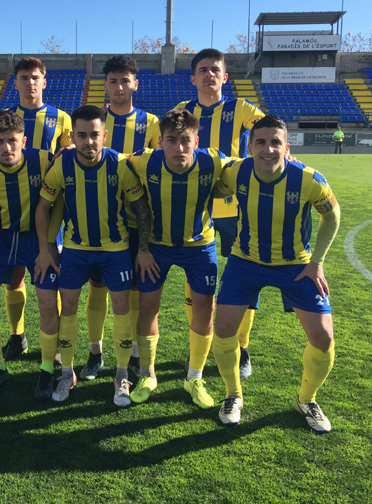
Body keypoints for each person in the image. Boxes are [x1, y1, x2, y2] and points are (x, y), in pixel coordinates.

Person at [211, 115, 341, 432]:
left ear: (286, 146)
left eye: (275, 143)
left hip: (296, 265)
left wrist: (317, 261)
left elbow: (333, 216)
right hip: (245, 261)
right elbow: (212, 190)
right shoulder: (237, 171)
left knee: (323, 338)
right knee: (224, 328)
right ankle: (233, 395)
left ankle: (306, 400)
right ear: (251, 145)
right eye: (261, 142)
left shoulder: (308, 179)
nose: (268, 149)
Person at [34, 105, 148, 407]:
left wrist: (144, 249)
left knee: (122, 306)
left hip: (115, 249)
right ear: (73, 136)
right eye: (81, 135)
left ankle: (120, 374)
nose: (88, 142)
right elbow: (43, 206)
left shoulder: (120, 165)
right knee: (68, 306)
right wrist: (45, 250)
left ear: (104, 135)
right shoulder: (62, 165)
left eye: (94, 135)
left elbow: (141, 207)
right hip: (76, 249)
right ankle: (67, 372)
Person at [126, 109, 226, 408]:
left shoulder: (214, 161)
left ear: (197, 141)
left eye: (186, 140)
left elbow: (247, 168)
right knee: (147, 307)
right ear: (160, 141)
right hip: (158, 246)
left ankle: (194, 377)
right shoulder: (145, 160)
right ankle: (148, 374)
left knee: (204, 310)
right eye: (172, 140)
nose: (179, 147)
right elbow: (111, 158)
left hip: (200, 247)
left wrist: (290, 160)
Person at [176, 48, 265, 379]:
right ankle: (196, 345)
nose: (209, 74)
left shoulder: (239, 108)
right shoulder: (182, 111)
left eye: (215, 69)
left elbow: (267, 128)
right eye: (203, 69)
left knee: (243, 277)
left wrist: (285, 151)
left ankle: (242, 347)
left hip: (235, 209)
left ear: (225, 77)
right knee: (194, 281)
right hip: (194, 209)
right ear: (193, 78)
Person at [0, 110, 61, 398]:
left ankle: (48, 368)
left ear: (23, 140)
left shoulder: (43, 161)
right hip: (0, 238)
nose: (6, 148)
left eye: (12, 141)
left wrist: (48, 246)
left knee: (47, 304)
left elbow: (58, 202)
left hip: (38, 239)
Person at [81, 55, 160, 382]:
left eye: (124, 81)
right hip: (102, 221)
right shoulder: (96, 121)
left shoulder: (152, 123)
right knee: (97, 289)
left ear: (135, 84)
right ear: (105, 85)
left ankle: (137, 354)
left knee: (137, 295)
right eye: (112, 81)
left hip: (140, 221)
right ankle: (96, 352)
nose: (118, 87)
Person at [0, 57, 72, 361]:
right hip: (11, 208)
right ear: (15, 82)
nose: (30, 82)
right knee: (14, 278)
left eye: (35, 77)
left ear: (45, 82)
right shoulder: (4, 117)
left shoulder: (62, 118)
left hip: (49, 207)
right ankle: (17, 336)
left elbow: (67, 158)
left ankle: (53, 345)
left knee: (49, 276)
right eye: (24, 77)